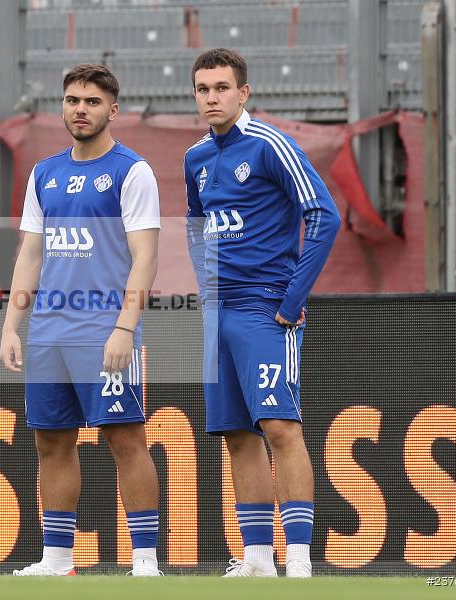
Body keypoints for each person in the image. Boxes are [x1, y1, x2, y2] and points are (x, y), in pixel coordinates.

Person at [0, 63, 162, 577]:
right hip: (49, 331)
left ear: (112, 109)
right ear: (62, 106)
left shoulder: (132, 171)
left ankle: (144, 561)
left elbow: (146, 257)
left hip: (105, 331)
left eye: (92, 102)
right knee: (50, 440)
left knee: (125, 439)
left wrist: (124, 327)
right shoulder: (44, 173)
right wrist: (11, 326)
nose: (80, 109)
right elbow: (29, 254)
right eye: (72, 100)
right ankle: (57, 559)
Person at [184, 48, 341, 578]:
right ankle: (257, 558)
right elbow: (195, 224)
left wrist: (291, 301)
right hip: (218, 316)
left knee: (279, 427)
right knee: (236, 434)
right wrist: (205, 288)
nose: (212, 97)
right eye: (203, 89)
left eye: (222, 88)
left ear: (243, 92)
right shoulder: (196, 158)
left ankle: (298, 559)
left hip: (265, 309)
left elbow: (323, 215)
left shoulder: (271, 144)